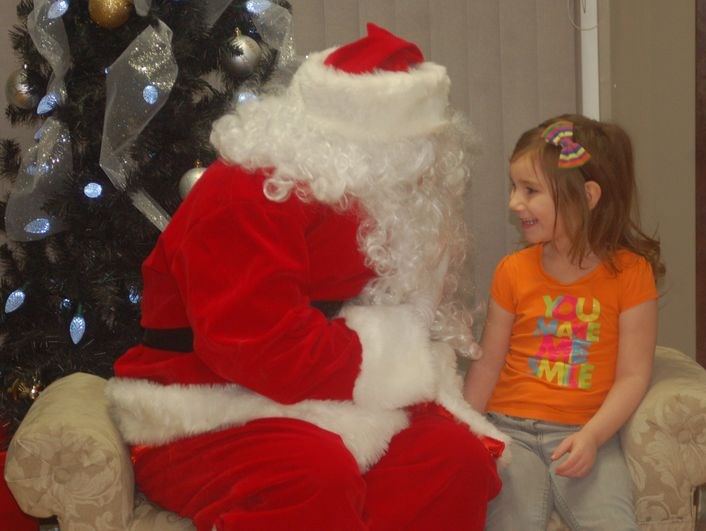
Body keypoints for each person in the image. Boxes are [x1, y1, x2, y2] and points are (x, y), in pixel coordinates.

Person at [106, 24, 506, 531]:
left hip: (326, 390)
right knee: (313, 475)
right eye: (411, 150)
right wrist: (393, 356)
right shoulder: (249, 194)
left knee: (454, 458)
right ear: (361, 143)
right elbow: (261, 348)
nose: (423, 169)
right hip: (206, 403)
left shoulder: (383, 201)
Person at [463, 114, 665, 530]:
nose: (514, 202)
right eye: (514, 187)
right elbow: (488, 362)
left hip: (583, 434)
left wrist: (593, 436)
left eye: (530, 190)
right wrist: (466, 427)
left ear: (587, 196)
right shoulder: (512, 270)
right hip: (509, 433)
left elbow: (632, 376)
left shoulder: (631, 273)